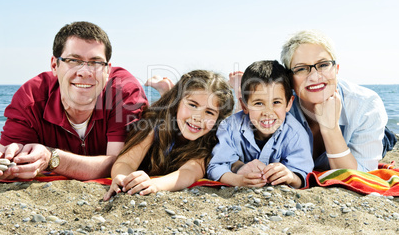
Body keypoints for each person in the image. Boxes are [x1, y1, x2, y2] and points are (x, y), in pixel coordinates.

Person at [0, 21, 148, 180]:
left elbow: (120, 164)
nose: (84, 72)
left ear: (107, 70)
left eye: (95, 62)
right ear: (54, 65)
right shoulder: (31, 98)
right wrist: (11, 163)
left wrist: (51, 158)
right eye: (73, 60)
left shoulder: (124, 92)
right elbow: (4, 167)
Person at [103, 70, 234, 200]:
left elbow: (189, 172)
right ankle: (162, 89)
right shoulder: (154, 124)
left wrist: (154, 185)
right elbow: (126, 162)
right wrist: (123, 178)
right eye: (193, 105)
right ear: (177, 102)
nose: (198, 117)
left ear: (218, 118)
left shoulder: (210, 140)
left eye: (209, 112)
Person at [280, 30, 395, 172]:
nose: (315, 77)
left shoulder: (366, 104)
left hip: (357, 135)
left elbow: (361, 174)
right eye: (302, 68)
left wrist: (330, 128)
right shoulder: (279, 105)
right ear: (289, 78)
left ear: (336, 69)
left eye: (323, 65)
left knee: (385, 140)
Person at [207, 60, 313, 189]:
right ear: (244, 106)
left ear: (289, 104)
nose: (268, 112)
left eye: (276, 102)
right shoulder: (229, 127)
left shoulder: (295, 133)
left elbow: (303, 174)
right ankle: (236, 90)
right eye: (258, 103)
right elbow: (216, 166)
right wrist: (238, 180)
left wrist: (291, 176)